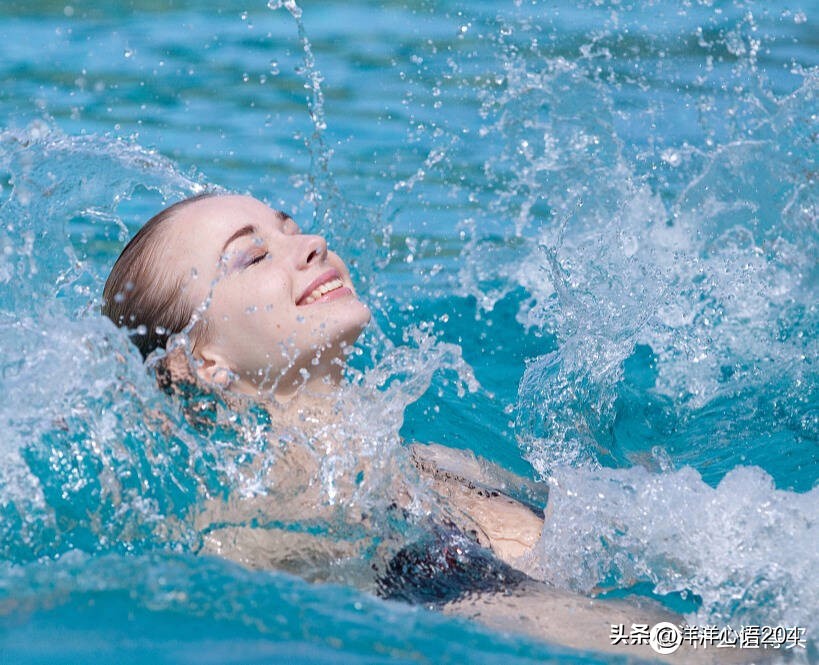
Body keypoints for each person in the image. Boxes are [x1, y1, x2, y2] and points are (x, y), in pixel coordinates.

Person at [103, 192, 739, 663]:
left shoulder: (428, 457)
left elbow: (639, 525)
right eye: (255, 255)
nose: (310, 244)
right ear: (200, 362)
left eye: (290, 225)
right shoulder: (257, 515)